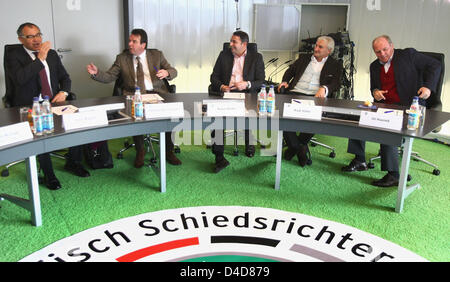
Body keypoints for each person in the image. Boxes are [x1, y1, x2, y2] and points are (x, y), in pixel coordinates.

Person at [342, 35, 441, 187]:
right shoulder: (374, 66)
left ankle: (394, 175)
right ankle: (360, 160)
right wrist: (375, 92)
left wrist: (428, 86)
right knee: (358, 118)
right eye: (378, 51)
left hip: (409, 106)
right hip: (385, 106)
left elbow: (435, 65)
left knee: (388, 126)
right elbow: (374, 88)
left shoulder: (408, 55)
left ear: (392, 46)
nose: (382, 54)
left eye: (385, 49)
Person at [6, 22, 90, 190]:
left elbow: (65, 78)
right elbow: (20, 79)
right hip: (31, 106)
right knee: (41, 132)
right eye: (30, 36)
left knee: (77, 123)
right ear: (21, 39)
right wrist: (39, 60)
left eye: (38, 35)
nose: (36, 40)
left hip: (54, 102)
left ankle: (73, 162)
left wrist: (64, 92)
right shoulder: (13, 56)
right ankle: (49, 175)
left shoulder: (51, 54)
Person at [87, 28, 181, 168]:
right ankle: (140, 151)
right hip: (135, 95)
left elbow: (174, 71)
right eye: (130, 41)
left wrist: (167, 72)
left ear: (143, 45)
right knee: (136, 114)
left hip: (157, 94)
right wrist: (96, 73)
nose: (130, 44)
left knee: (168, 116)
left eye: (134, 41)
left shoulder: (157, 55)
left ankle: (169, 151)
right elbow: (109, 76)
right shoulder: (122, 58)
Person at [277, 36, 343, 166]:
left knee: (316, 117)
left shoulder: (335, 64)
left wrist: (325, 88)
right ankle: (299, 148)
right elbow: (290, 71)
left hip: (315, 96)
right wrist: (284, 81)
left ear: (329, 51)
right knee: (281, 115)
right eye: (316, 45)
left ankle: (295, 147)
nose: (316, 48)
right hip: (295, 92)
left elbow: (336, 83)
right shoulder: (304, 58)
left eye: (320, 47)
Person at [209, 30, 265, 173]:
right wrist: (222, 86)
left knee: (248, 113)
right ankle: (219, 158)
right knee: (217, 119)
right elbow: (213, 77)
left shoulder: (256, 57)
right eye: (231, 41)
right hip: (227, 92)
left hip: (247, 93)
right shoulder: (224, 55)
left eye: (234, 42)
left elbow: (261, 81)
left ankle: (249, 143)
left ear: (244, 44)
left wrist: (247, 84)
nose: (231, 44)